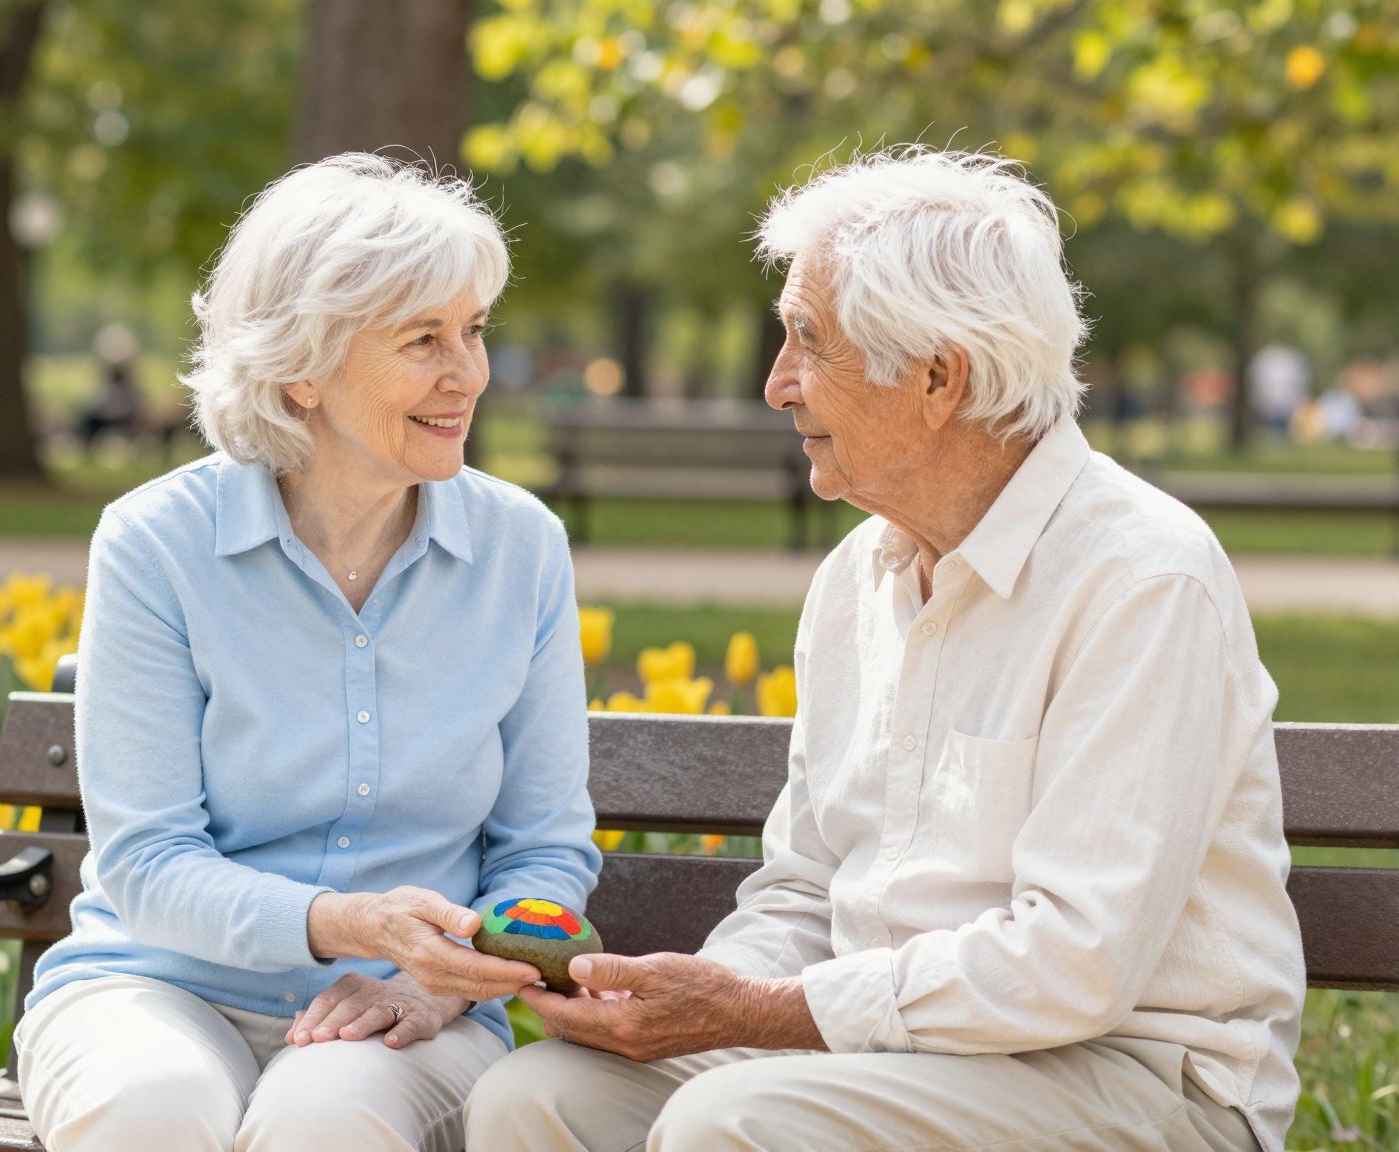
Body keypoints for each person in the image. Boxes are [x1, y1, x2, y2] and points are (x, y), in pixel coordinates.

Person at [466, 148, 1303, 1152]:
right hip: (875, 1052)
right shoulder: (855, 575)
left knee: (726, 1125)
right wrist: (703, 999)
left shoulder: (1140, 580)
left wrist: (755, 1014)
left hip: (1134, 1075)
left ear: (938, 377)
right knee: (533, 1099)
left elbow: (1073, 962)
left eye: (805, 342)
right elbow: (807, 886)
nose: (777, 384)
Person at [17, 153, 602, 1152]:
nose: (466, 373)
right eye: (423, 339)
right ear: (300, 365)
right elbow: (150, 863)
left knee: (324, 1121)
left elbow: (542, 850)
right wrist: (346, 921)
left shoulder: (520, 547)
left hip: (406, 1013)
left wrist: (444, 983)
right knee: (149, 1110)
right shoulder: (156, 541)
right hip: (151, 985)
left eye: (471, 331)